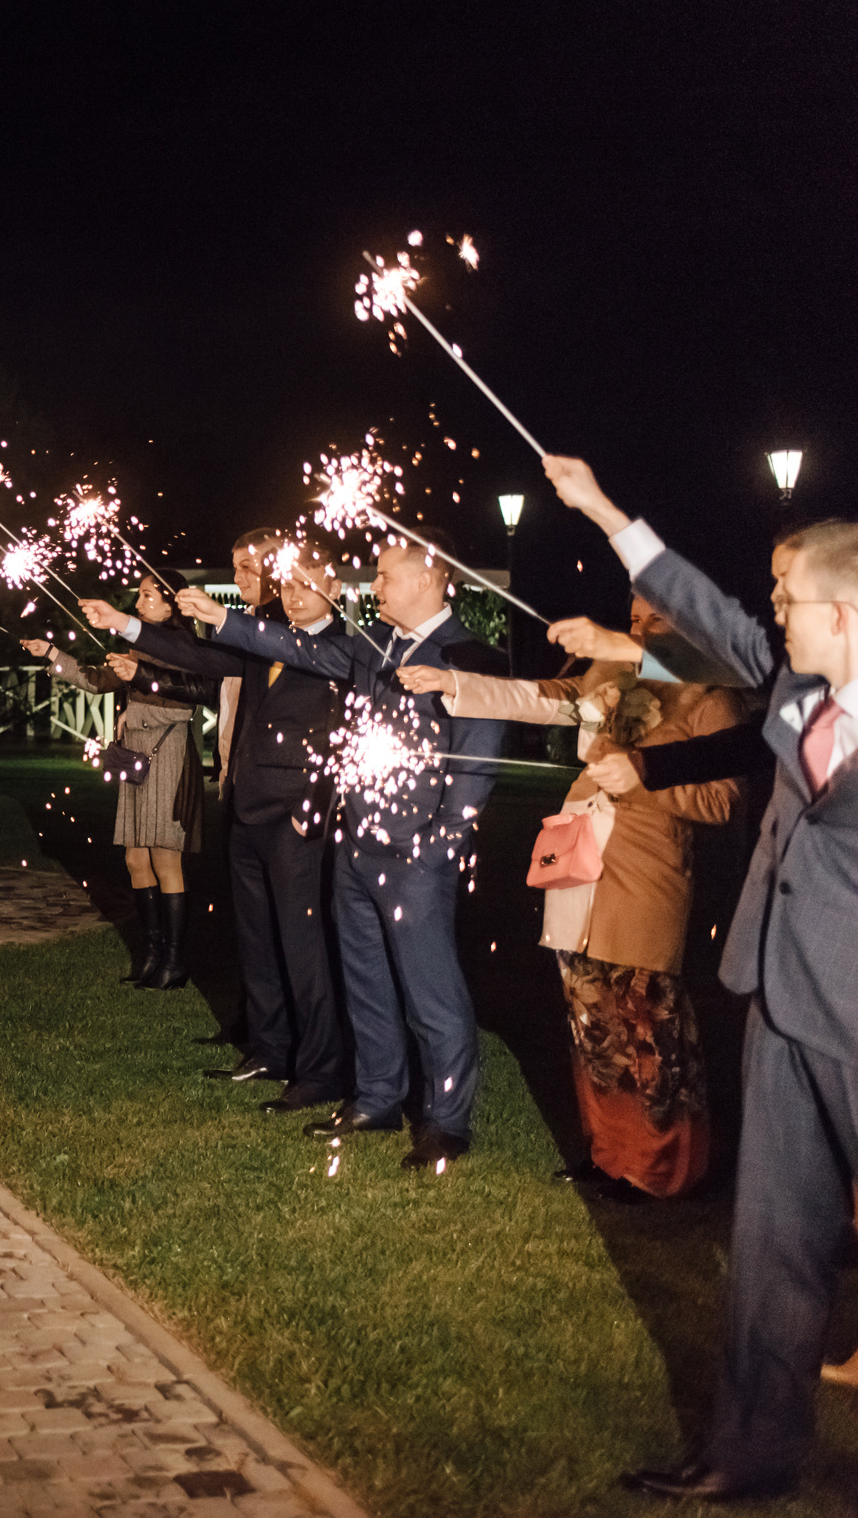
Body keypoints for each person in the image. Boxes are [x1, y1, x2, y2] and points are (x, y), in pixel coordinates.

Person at [537, 457, 858, 1504]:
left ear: (847, 613)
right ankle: (748, 1452)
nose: (774, 615)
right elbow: (711, 623)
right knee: (772, 1246)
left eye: (789, 598)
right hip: (777, 996)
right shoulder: (798, 685)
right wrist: (602, 511)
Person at [398, 596, 748, 1201]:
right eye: (633, 616)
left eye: (656, 619)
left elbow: (726, 799)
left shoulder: (708, 693)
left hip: (645, 875)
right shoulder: (608, 674)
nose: (637, 628)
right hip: (577, 863)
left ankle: (662, 1168)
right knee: (591, 1017)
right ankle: (609, 1153)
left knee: (648, 1023)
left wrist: (645, 781)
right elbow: (539, 698)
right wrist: (453, 681)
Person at [175, 531, 505, 1170]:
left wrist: (439, 848)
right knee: (367, 982)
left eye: (385, 576)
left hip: (416, 855)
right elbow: (293, 645)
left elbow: (476, 767)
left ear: (429, 579)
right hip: (355, 847)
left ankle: (447, 1119)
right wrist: (221, 619)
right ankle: (378, 1097)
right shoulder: (373, 648)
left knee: (430, 990)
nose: (374, 587)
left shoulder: (469, 655)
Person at [83, 540, 354, 1111]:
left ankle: (322, 1069)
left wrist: (226, 618)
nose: (295, 594)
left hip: (300, 816)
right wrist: (128, 625)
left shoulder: (341, 646)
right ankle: (268, 1048)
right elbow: (204, 660)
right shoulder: (265, 641)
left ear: (333, 584)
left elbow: (269, 646)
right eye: (289, 583)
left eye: (307, 583)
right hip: (247, 807)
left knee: (302, 945)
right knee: (256, 938)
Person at [24, 567, 215, 990]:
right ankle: (151, 951)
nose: (139, 603)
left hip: (167, 754)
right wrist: (52, 654)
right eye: (140, 595)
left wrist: (140, 686)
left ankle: (174, 960)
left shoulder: (184, 645)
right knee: (134, 858)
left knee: (166, 858)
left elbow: (193, 696)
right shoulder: (138, 644)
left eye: (149, 596)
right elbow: (94, 680)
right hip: (135, 756)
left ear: (171, 604)